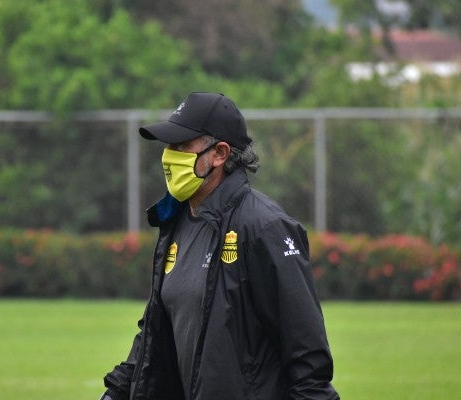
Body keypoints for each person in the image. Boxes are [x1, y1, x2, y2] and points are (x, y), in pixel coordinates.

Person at [99, 92, 339, 400]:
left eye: (182, 146)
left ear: (220, 153)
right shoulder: (177, 222)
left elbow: (308, 358)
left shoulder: (264, 227)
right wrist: (116, 393)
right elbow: (155, 334)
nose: (169, 156)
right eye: (168, 146)